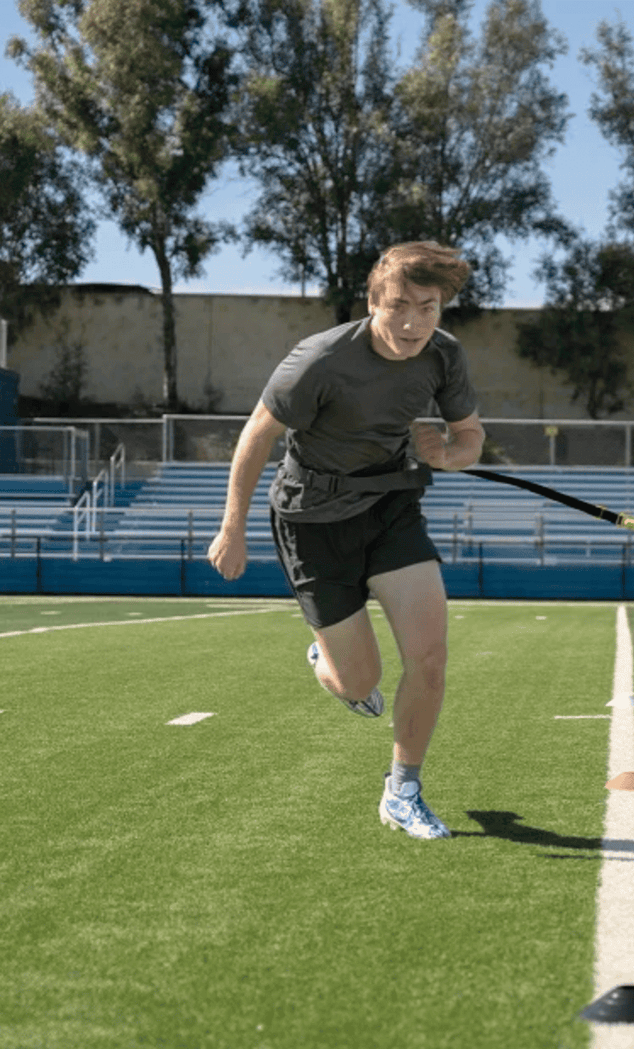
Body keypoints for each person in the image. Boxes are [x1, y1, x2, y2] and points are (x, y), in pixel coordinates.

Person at [207, 241, 484, 841]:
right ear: (373, 302)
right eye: (399, 306)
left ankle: (402, 792)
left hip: (390, 506)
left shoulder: (443, 355)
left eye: (428, 308)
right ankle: (329, 662)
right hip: (312, 521)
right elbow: (257, 435)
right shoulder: (320, 360)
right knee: (360, 683)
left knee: (429, 658)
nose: (413, 323)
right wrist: (233, 527)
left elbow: (469, 435)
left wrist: (450, 455)